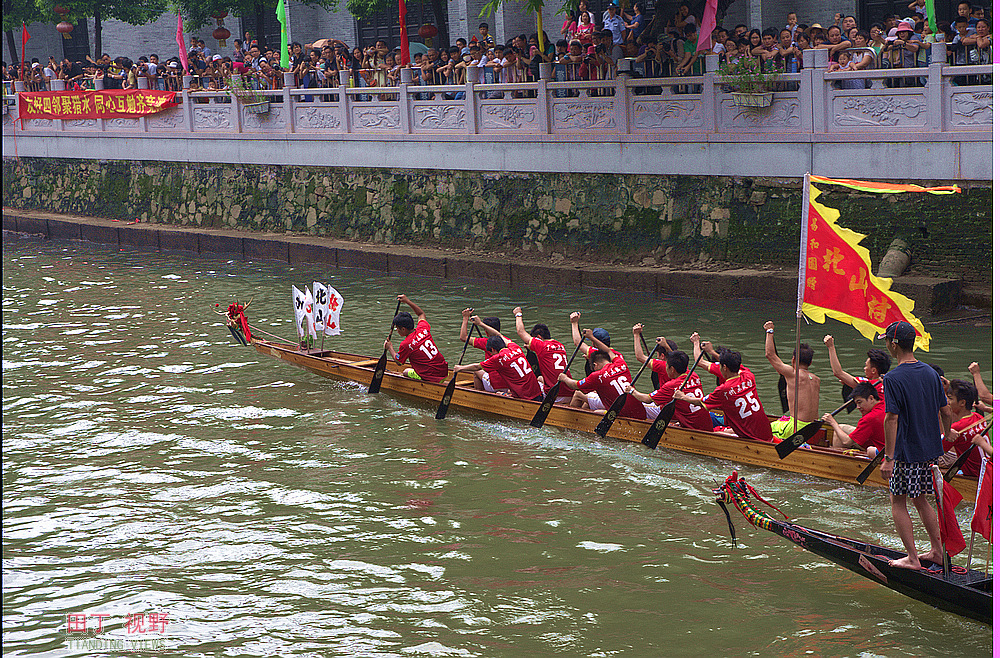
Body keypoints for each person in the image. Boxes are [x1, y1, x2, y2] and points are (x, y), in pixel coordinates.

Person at [878, 320, 954, 570]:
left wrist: (889, 457)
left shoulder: (892, 377)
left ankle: (912, 558)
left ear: (893, 344)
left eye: (887, 341)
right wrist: (948, 432)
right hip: (929, 450)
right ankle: (937, 551)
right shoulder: (931, 372)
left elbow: (891, 418)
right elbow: (946, 409)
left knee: (897, 500)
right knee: (921, 499)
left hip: (905, 452)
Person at [675, 332, 773, 442]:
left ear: (724, 367)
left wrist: (682, 396)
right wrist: (711, 352)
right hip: (766, 432)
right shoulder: (749, 375)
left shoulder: (723, 390)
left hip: (751, 437)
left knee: (714, 432)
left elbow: (700, 402)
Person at [625, 335, 713, 431]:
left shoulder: (671, 386)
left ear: (672, 369)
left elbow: (646, 399)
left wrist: (632, 390)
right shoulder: (694, 375)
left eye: (666, 365)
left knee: (638, 406)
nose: (665, 367)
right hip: (706, 423)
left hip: (693, 428)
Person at [558, 330, 647, 419]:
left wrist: (564, 378)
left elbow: (575, 385)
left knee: (580, 395)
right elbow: (608, 351)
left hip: (620, 415)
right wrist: (591, 337)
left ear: (595, 365)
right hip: (640, 413)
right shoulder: (621, 362)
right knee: (589, 404)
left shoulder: (597, 376)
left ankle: (569, 423)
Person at [763, 321, 820, 440]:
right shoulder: (816, 379)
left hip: (797, 428)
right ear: (810, 362)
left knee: (763, 428)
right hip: (814, 427)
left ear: (793, 359)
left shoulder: (793, 373)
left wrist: (770, 331)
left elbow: (770, 355)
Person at [512, 307, 574, 404]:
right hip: (570, 392)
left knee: (527, 386)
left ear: (538, 338)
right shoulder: (560, 345)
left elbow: (521, 332)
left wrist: (518, 314)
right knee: (540, 378)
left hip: (554, 396)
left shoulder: (542, 346)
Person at [454, 335, 543, 401]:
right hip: (537, 392)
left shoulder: (498, 358)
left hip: (525, 397)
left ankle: (479, 400)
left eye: (491, 352)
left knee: (499, 394)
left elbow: (476, 367)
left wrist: (460, 368)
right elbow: (504, 338)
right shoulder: (516, 348)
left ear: (493, 349)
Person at [384, 294, 449, 383]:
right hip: (444, 372)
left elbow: (399, 362)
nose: (396, 330)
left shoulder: (406, 344)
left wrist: (390, 347)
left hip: (432, 377)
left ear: (403, 329)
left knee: (406, 371)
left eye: (397, 328)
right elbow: (421, 313)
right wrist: (407, 301)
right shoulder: (423, 328)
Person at [824, 382, 885, 455]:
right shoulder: (885, 402)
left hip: (881, 450)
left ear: (871, 398)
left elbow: (846, 442)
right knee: (841, 427)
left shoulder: (869, 418)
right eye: (856, 403)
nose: (858, 407)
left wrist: (832, 422)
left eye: (860, 402)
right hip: (886, 442)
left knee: (838, 429)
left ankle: (837, 461)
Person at [941, 379, 986, 476]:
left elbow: (938, 451)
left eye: (950, 398)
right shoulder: (979, 417)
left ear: (962, 403)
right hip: (984, 469)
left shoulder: (957, 428)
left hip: (972, 474)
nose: (948, 402)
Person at [823, 335, 891, 398]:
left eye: (866, 366)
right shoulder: (889, 384)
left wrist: (831, 347)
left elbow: (838, 372)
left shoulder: (869, 385)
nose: (864, 368)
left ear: (873, 370)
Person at [459, 308, 510, 393]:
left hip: (496, 386)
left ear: (486, 333)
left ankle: (480, 396)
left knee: (476, 371)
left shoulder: (485, 342)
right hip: (510, 385)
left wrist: (465, 318)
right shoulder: (508, 341)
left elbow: (463, 337)